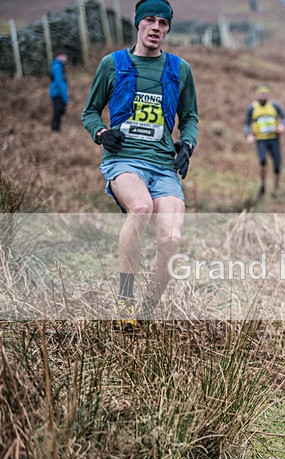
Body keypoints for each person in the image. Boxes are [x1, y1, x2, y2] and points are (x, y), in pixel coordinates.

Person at [81, 0, 198, 326]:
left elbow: (189, 117)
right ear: (138, 24)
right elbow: (89, 112)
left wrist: (187, 145)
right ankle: (125, 300)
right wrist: (102, 133)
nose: (156, 27)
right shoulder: (113, 64)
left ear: (168, 29)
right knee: (142, 208)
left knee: (172, 239)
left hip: (163, 165)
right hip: (124, 160)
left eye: (163, 23)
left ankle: (147, 307)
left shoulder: (179, 69)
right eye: (150, 20)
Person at [244, 84, 285, 199]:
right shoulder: (252, 108)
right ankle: (263, 187)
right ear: (257, 95)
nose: (262, 96)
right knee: (263, 161)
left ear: (267, 95)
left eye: (264, 94)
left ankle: (276, 190)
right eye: (260, 94)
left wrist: (282, 126)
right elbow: (246, 124)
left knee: (277, 165)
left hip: (274, 139)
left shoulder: (274, 105)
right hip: (261, 140)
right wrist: (249, 134)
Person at [49, 51, 69, 131]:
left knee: (60, 111)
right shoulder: (58, 67)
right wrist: (65, 98)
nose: (66, 59)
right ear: (59, 56)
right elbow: (59, 82)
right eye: (64, 56)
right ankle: (55, 129)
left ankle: (56, 129)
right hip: (57, 93)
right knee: (58, 111)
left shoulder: (58, 66)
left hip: (57, 93)